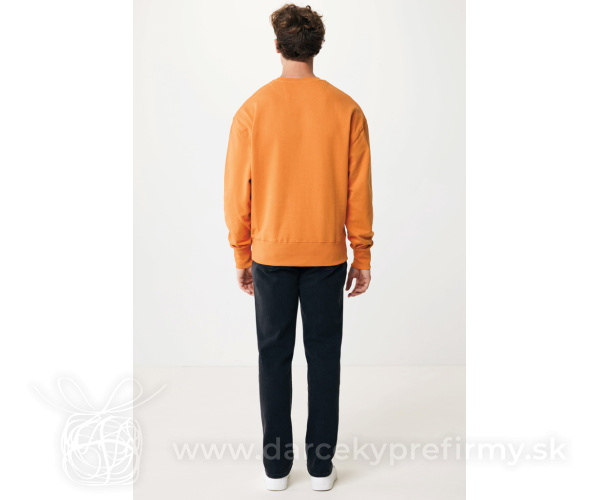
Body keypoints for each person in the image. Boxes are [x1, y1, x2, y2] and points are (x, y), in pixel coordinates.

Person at [224, 3, 373, 492]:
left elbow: (237, 193)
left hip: (270, 255)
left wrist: (242, 254)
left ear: (277, 46)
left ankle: (275, 470)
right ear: (317, 47)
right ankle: (321, 469)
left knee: (273, 358)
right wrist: (362, 254)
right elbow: (359, 191)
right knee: (324, 359)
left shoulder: (253, 110)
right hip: (326, 257)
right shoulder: (346, 109)